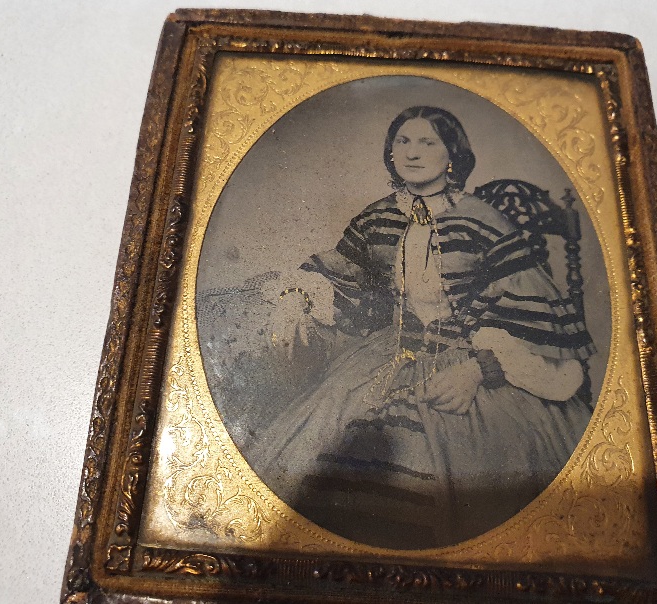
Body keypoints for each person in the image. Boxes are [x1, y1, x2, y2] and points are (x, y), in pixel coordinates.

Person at [246, 106, 596, 549]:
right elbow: (341, 269)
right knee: (326, 452)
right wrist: (299, 294)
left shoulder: (483, 219)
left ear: (452, 155)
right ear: (390, 153)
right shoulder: (377, 217)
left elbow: (528, 308)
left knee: (468, 477)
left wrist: (479, 369)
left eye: (428, 142)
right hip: (389, 354)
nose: (412, 153)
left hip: (470, 360)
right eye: (403, 142)